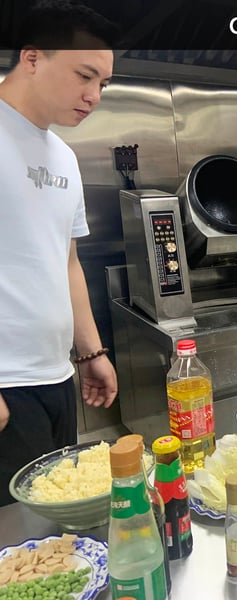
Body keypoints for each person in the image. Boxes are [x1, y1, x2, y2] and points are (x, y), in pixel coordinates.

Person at [0, 0, 118, 506]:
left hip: (56, 376)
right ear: (32, 58)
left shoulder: (64, 157)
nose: (92, 95)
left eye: (103, 85)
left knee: (55, 532)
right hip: (6, 386)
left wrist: (91, 352)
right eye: (84, 76)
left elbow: (65, 261)